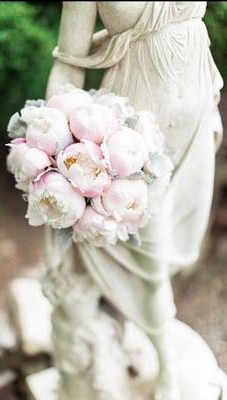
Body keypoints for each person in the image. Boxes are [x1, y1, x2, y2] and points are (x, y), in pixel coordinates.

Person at [43, 2, 223, 400]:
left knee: (172, 243)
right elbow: (69, 63)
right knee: (151, 260)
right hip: (132, 138)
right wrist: (52, 145)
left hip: (197, 116)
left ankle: (132, 332)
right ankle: (166, 367)